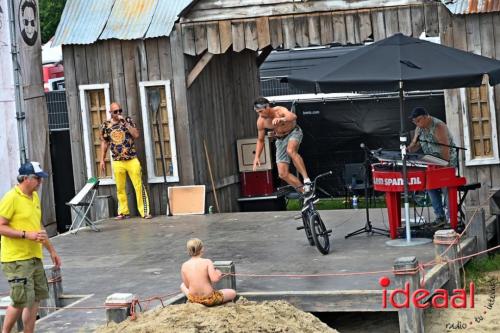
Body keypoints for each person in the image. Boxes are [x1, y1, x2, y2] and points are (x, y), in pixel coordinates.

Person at [0, 161, 62, 333]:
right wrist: (26, 234)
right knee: (20, 300)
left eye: (41, 179)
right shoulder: (11, 198)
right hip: (16, 258)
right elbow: (1, 226)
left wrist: (52, 251)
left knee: (35, 299)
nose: (40, 182)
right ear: (25, 178)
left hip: (34, 256)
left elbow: (38, 227)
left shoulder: (34, 197)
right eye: (37, 178)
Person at [252, 97, 312, 200]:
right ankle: (306, 193)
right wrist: (257, 157)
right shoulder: (261, 121)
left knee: (290, 151)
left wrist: (282, 119)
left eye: (261, 111)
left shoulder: (279, 110)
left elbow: (293, 116)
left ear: (267, 107)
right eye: (257, 112)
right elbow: (260, 140)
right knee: (282, 174)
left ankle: (306, 180)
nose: (260, 114)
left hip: (293, 132)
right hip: (280, 140)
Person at [100, 102, 152, 220]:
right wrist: (102, 160)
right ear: (110, 113)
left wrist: (126, 124)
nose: (118, 113)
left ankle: (144, 212)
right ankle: (123, 212)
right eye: (115, 112)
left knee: (138, 186)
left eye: (120, 110)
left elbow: (136, 135)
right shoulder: (106, 125)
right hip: (117, 161)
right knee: (120, 188)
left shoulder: (127, 120)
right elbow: (104, 142)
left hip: (131, 159)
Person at [407, 107, 458, 225]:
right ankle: (439, 216)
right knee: (430, 187)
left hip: (446, 163)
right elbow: (416, 145)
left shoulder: (438, 126)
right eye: (414, 122)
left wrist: (443, 167)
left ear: (426, 117)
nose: (417, 123)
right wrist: (409, 148)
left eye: (418, 120)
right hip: (431, 163)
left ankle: (451, 218)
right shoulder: (419, 128)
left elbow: (445, 149)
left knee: (446, 189)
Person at [180, 238, 236, 307]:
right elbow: (214, 279)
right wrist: (218, 273)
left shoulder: (184, 265)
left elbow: (187, 286)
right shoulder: (207, 262)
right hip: (209, 299)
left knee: (182, 285)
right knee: (232, 292)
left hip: (193, 299)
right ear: (202, 249)